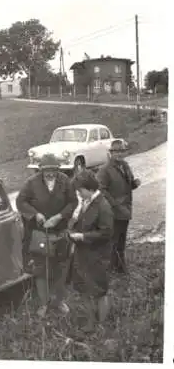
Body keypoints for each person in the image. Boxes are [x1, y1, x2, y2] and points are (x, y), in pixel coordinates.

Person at [16, 153, 77, 318]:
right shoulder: (31, 183)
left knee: (61, 267)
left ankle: (59, 301)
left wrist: (60, 216)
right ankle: (44, 303)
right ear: (40, 170)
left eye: (53, 170)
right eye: (46, 170)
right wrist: (36, 214)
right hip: (40, 234)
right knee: (41, 269)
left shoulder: (66, 181)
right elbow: (20, 202)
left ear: (58, 169)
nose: (50, 174)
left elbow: (73, 202)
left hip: (60, 232)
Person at [68, 169, 114, 332]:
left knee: (99, 290)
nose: (79, 195)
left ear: (89, 188)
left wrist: (83, 236)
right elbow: (82, 221)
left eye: (80, 191)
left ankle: (102, 325)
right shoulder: (87, 202)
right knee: (84, 289)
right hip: (84, 254)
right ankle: (91, 322)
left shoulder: (103, 205)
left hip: (98, 255)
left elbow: (106, 233)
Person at [96, 139, 141, 274]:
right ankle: (110, 270)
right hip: (113, 212)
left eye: (122, 151)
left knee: (121, 240)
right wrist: (115, 205)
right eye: (116, 152)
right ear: (111, 153)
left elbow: (128, 184)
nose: (120, 154)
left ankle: (120, 267)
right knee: (113, 241)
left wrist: (134, 183)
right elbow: (101, 191)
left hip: (125, 210)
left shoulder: (125, 165)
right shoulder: (104, 170)